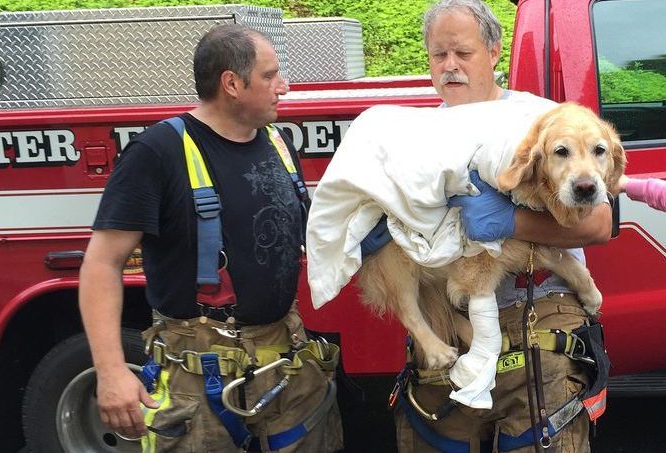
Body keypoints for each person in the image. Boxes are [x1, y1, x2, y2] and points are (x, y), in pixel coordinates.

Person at [362, 1, 613, 451]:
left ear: (495, 51)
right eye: (439, 55)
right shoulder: (412, 134)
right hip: (450, 322)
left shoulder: (544, 119)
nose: (449, 66)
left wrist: (510, 220)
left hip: (538, 309)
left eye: (463, 52)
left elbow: (598, 223)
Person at [79, 24, 343, 452]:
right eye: (270, 75)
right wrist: (110, 372)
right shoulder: (157, 153)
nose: (285, 86)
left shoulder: (277, 142)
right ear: (232, 83)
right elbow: (102, 263)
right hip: (196, 382)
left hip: (287, 367)